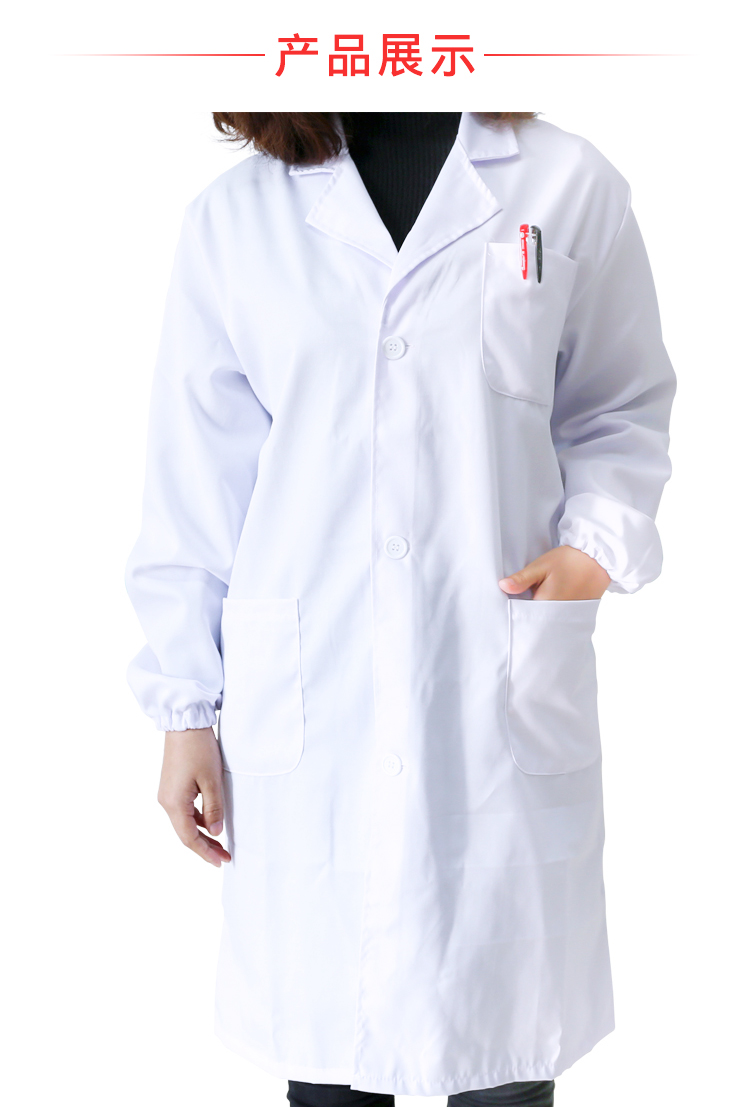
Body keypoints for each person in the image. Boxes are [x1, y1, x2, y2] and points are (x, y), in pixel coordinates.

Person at [125, 112, 676, 1106]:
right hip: (313, 705)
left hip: (498, 685)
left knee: (506, 1064)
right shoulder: (234, 219)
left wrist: (592, 551)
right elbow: (197, 482)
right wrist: (184, 709)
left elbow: (619, 403)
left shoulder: (566, 184)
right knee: (332, 1069)